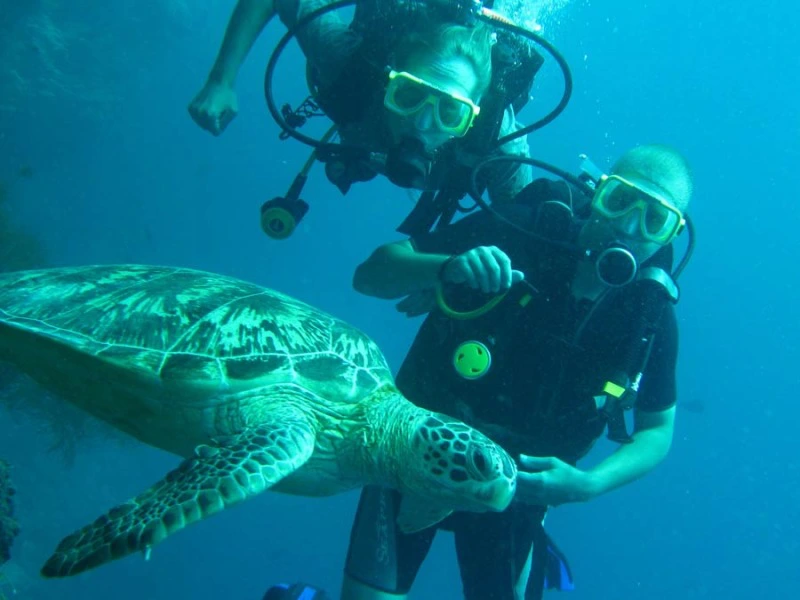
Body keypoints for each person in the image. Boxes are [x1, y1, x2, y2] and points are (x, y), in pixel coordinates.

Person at [337, 143, 693, 599]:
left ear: (670, 235)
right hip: (416, 447)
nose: (628, 226)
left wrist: (590, 484)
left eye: (654, 219)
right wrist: (446, 267)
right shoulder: (519, 230)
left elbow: (657, 429)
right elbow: (369, 275)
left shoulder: (649, 315)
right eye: (620, 200)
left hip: (520, 489)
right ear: (598, 192)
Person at [189, 0, 541, 206]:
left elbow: (521, 223)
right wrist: (221, 80)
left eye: (450, 112)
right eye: (408, 94)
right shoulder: (348, 64)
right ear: (388, 77)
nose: (421, 124)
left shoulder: (497, 142)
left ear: (475, 112)